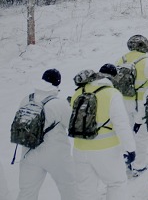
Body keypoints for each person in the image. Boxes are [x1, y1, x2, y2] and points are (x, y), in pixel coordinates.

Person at [70, 69, 136, 200]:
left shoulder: (78, 93)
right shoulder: (111, 94)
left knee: (85, 189)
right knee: (116, 184)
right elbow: (121, 124)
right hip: (106, 150)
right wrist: (130, 148)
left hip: (79, 149)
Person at [14, 69, 77, 200]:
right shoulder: (58, 103)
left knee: (27, 193)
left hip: (29, 152)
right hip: (56, 153)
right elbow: (72, 125)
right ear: (57, 83)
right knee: (69, 187)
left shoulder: (27, 99)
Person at [115, 34, 148, 175]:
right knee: (141, 134)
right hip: (141, 103)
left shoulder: (121, 59)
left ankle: (128, 159)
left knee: (128, 133)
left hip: (124, 102)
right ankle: (139, 165)